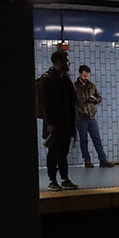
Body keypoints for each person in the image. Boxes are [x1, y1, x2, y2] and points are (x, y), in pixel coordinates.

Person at [40, 50, 78, 191]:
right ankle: (52, 180)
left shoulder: (65, 79)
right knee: (53, 152)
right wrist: (49, 123)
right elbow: (45, 103)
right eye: (66, 61)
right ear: (58, 62)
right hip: (54, 124)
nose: (68, 63)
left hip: (66, 123)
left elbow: (72, 100)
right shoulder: (47, 79)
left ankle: (64, 178)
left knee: (63, 152)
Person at [74, 64, 114, 168]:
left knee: (97, 138)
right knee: (84, 140)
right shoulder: (74, 87)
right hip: (81, 117)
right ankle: (87, 160)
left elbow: (99, 98)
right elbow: (72, 102)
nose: (86, 78)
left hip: (91, 116)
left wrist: (94, 100)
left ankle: (103, 160)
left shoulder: (92, 85)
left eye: (87, 76)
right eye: (84, 76)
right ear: (80, 74)